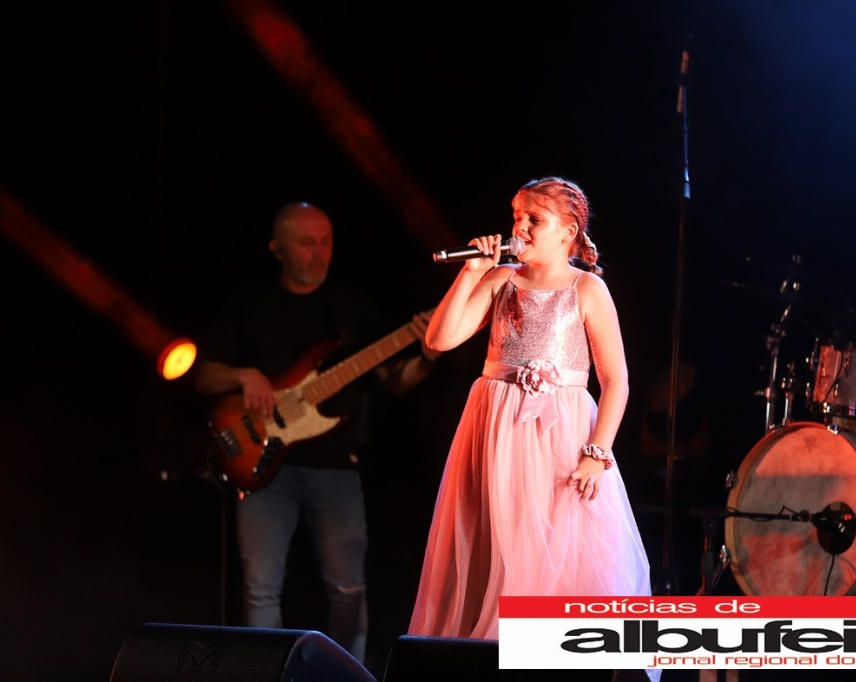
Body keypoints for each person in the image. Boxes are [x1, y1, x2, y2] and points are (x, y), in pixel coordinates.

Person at [408, 177, 655, 665]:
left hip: (558, 437)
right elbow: (439, 339)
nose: (519, 227)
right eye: (516, 217)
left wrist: (597, 452)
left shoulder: (587, 288)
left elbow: (616, 381)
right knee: (495, 543)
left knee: (552, 548)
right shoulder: (501, 279)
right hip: (495, 429)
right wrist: (471, 272)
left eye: (533, 219)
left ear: (568, 231)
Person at [195, 201, 439, 663]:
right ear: (277, 248)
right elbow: (204, 377)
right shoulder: (250, 301)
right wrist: (244, 375)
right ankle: (264, 672)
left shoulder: (351, 308)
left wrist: (426, 358)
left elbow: (392, 382)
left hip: (336, 467)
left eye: (326, 241)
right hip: (261, 469)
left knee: (349, 587)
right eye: (306, 242)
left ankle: (346, 674)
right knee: (260, 587)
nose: (318, 252)